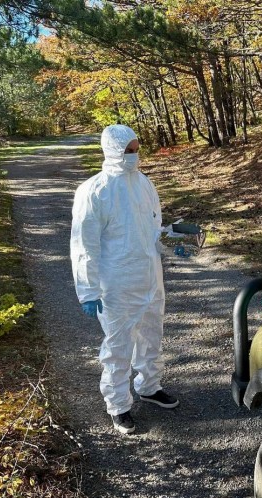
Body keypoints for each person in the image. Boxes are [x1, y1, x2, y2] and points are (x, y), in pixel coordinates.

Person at [70, 124, 178, 435]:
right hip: (116, 284)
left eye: (136, 149)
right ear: (112, 150)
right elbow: (83, 244)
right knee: (118, 347)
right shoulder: (94, 190)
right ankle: (118, 405)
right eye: (128, 150)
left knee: (151, 336)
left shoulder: (144, 183)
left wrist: (171, 242)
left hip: (150, 277)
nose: (134, 156)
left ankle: (149, 385)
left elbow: (152, 228)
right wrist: (88, 290)